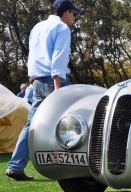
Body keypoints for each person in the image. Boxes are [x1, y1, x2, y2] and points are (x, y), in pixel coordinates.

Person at [6, 0, 80, 181]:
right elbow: (58, 58)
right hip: (54, 81)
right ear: (66, 12)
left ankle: (15, 166)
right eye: (73, 14)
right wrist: (58, 87)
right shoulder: (62, 29)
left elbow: (34, 55)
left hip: (37, 81)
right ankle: (70, 166)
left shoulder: (37, 27)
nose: (74, 17)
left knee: (32, 124)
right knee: (70, 122)